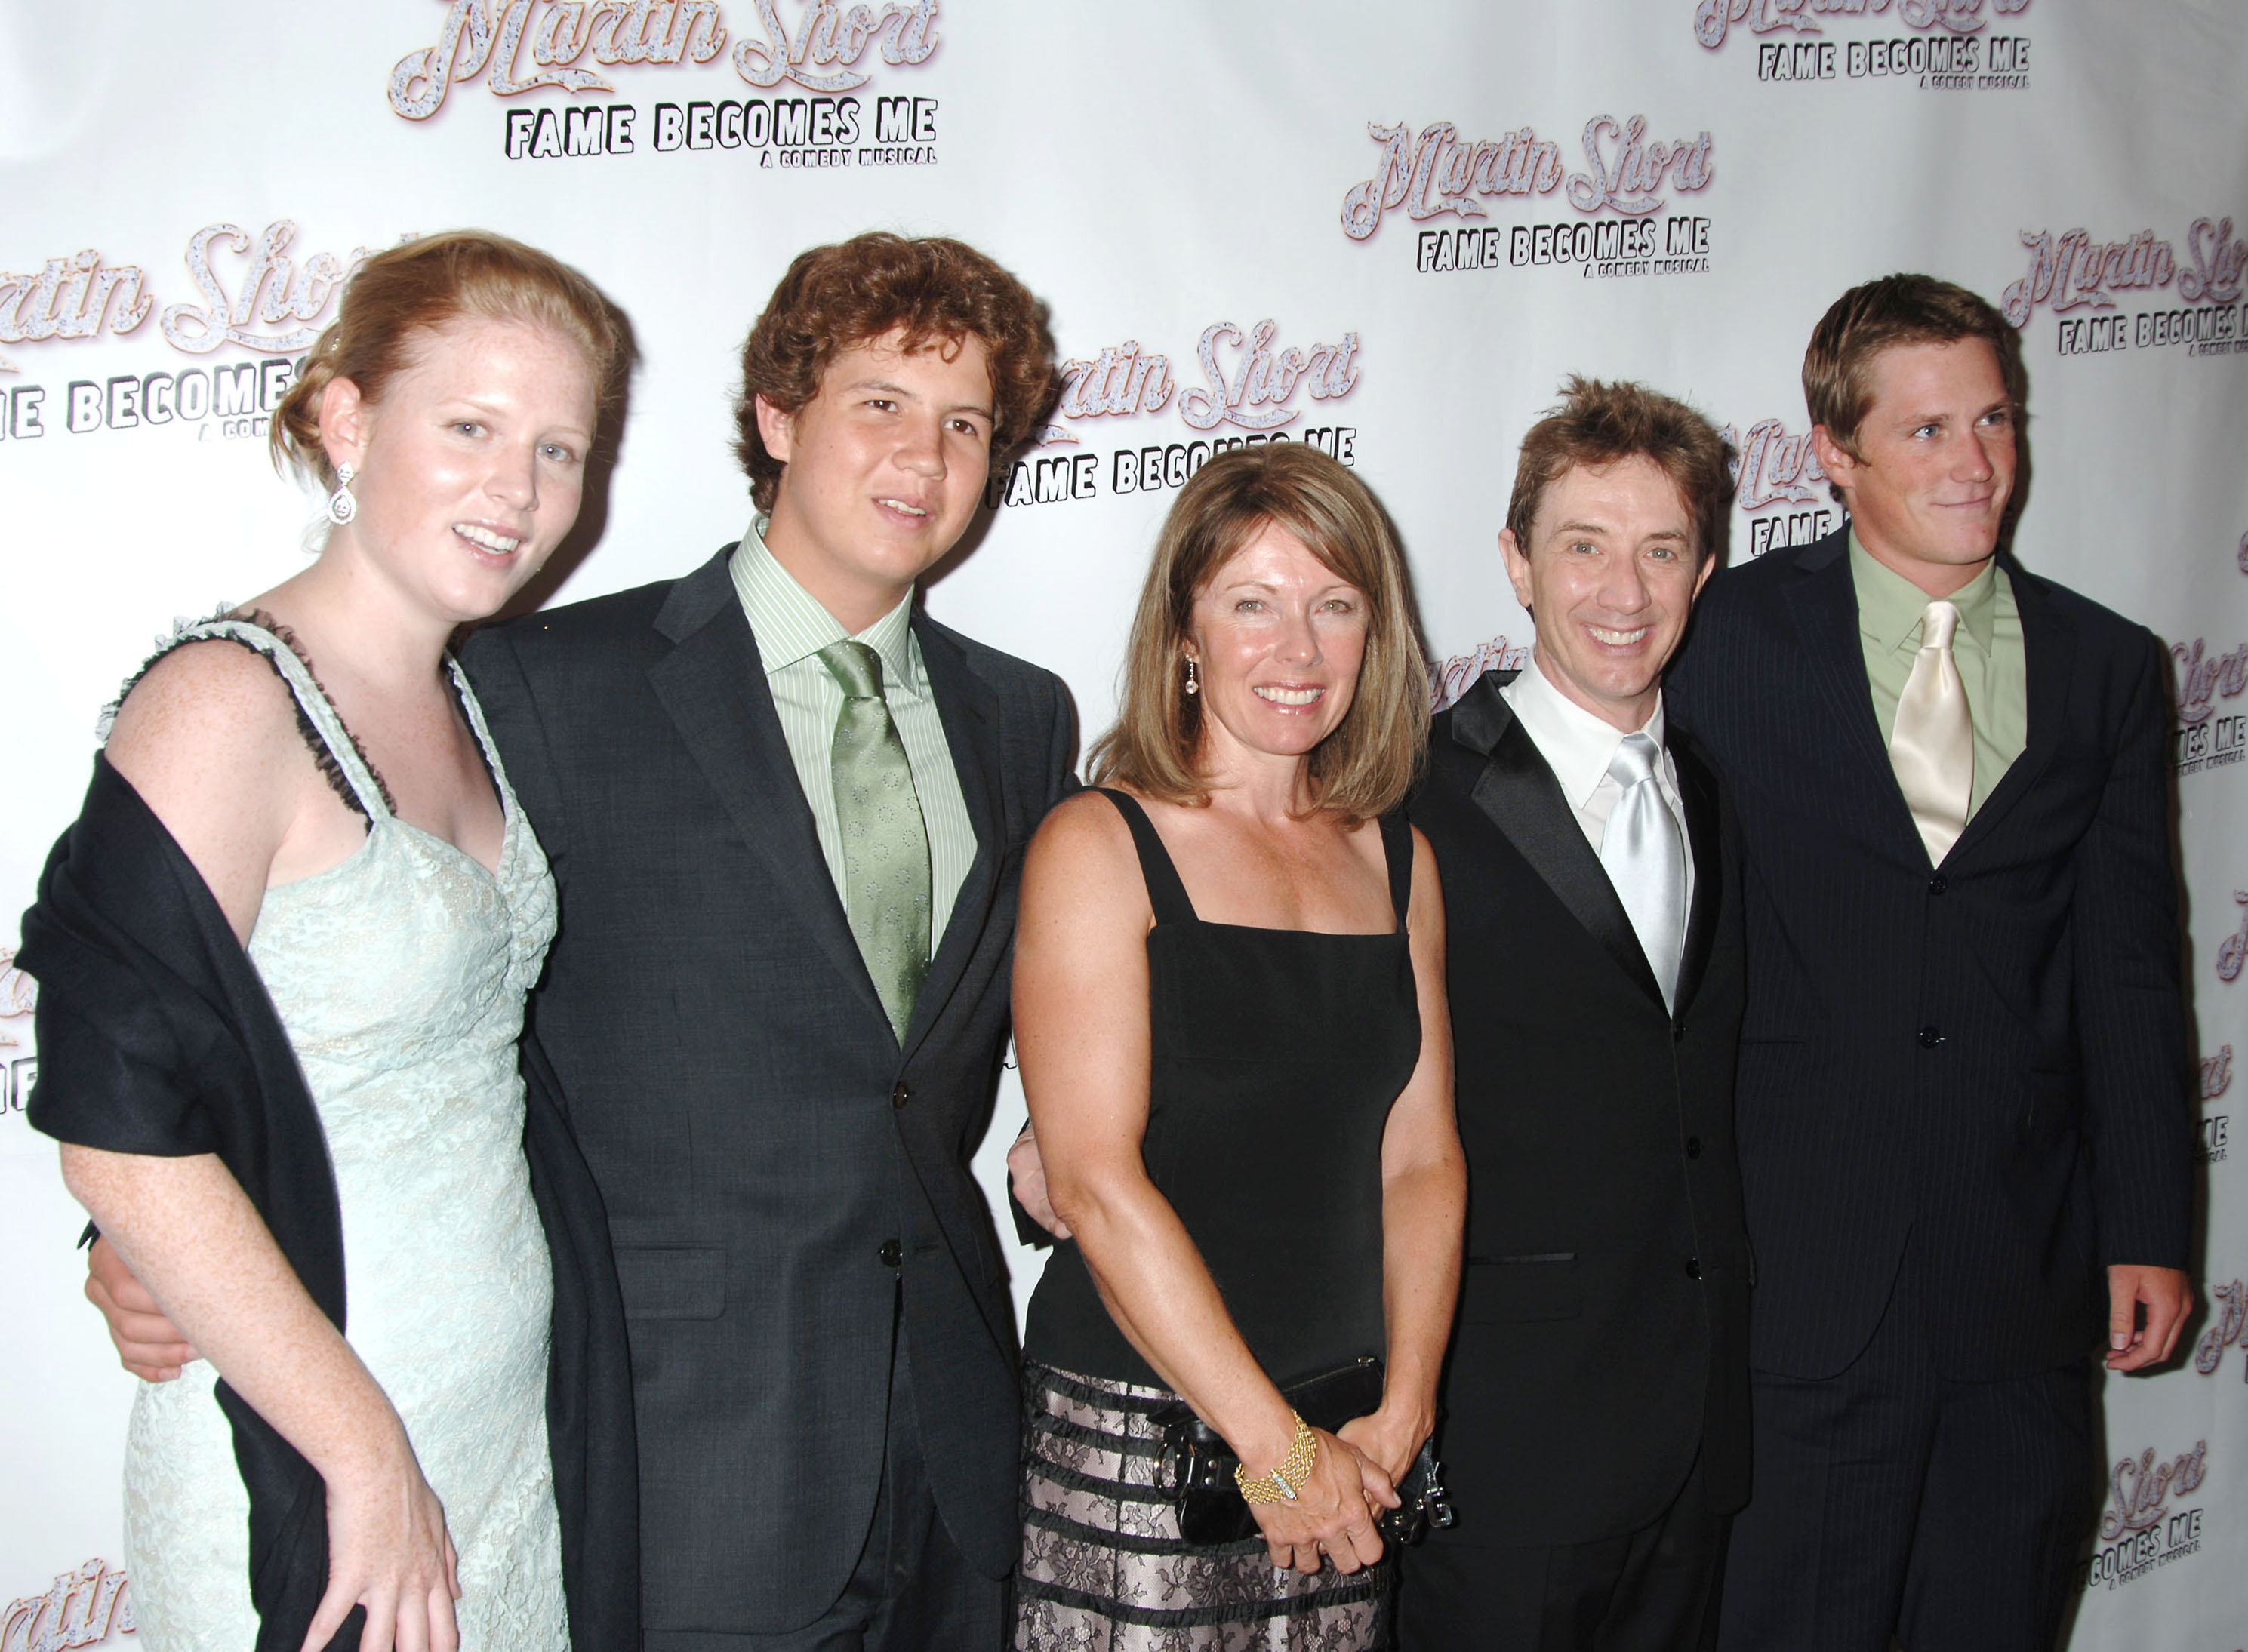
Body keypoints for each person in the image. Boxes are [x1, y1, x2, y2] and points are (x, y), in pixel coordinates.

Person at [88, 232, 1070, 1647]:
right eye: (878, 403)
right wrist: (127, 1238)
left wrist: (1061, 1125)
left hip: (963, 1444)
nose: (922, 456)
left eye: (965, 422)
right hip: (677, 1450)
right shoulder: (537, 682)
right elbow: (309, 978)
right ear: (779, 419)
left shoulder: (1020, 716)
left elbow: (994, 1020)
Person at [27, 231, 638, 1652]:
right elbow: (116, 1126)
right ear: (346, 418)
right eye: (471, 429)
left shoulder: (468, 695)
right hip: (312, 1455)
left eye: (560, 449)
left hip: (500, 1442)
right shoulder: (222, 704)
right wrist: (363, 1451)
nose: (519, 491)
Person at [1670, 274, 2194, 1651]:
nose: (1975, 464)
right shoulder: (1718, 643)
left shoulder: (2107, 665)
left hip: (2020, 1281)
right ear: (1832, 453)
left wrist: (2148, 1223)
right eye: (1925, 431)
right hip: (1799, 1281)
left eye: (1995, 420)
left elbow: (2131, 970)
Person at [1011, 441, 1465, 1650]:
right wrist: (1272, 1451)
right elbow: (1095, 1184)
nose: (1298, 650)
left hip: (1350, 1435)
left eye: (1334, 606)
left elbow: (1422, 1156)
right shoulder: (1098, 844)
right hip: (1148, 1432)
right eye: (1253, 605)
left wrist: (1405, 1404)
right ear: (1186, 635)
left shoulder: (1401, 860)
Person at [1395, 378, 1751, 1652]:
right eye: (1583, 546)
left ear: (1704, 569)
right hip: (1504, 1436)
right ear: (1516, 563)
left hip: (1697, 1431)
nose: (1624, 591)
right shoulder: (1417, 794)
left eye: (1661, 550)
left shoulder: (1712, 787)